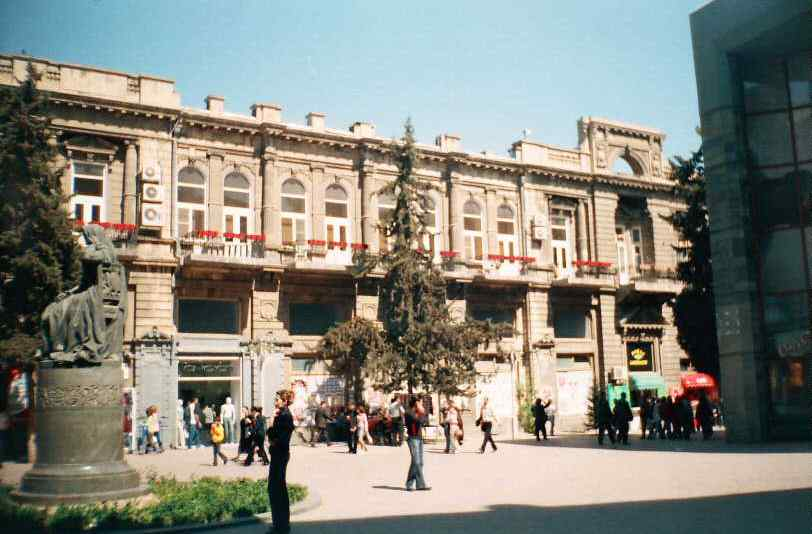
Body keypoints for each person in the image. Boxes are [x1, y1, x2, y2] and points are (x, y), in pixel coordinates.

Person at [268, 390, 295, 534]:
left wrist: (271, 424)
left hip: (280, 454)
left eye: (277, 399)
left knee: (276, 489)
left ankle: (281, 526)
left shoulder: (284, 416)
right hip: (279, 454)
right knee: (276, 489)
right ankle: (280, 525)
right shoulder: (283, 415)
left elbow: (279, 438)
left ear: (284, 401)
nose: (275, 400)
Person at [404, 396, 430, 491]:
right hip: (413, 439)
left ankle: (418, 484)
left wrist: (422, 412)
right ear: (416, 404)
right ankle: (411, 484)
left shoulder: (416, 413)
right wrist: (422, 412)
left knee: (419, 462)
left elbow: (424, 421)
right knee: (416, 462)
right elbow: (419, 421)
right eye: (420, 403)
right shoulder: (408, 413)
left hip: (419, 438)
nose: (421, 405)